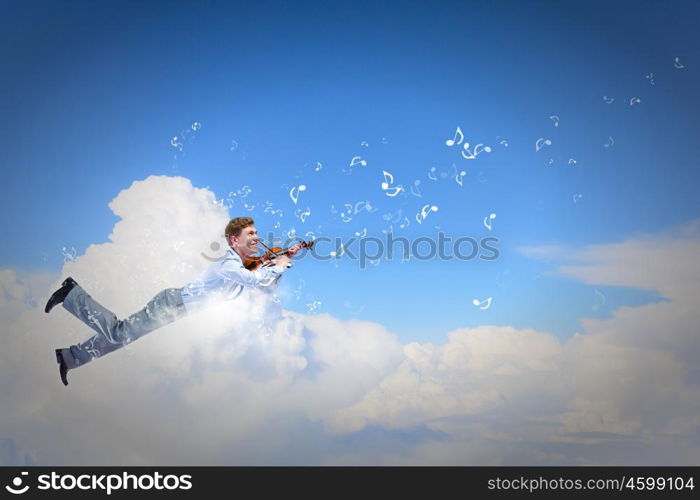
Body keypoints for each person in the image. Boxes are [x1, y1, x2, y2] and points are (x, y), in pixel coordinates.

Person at [45, 217, 299, 386]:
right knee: (119, 333)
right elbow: (254, 280)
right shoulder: (228, 262)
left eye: (257, 232)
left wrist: (281, 262)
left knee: (121, 337)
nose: (257, 236)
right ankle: (70, 293)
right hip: (172, 304)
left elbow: (264, 285)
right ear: (234, 240)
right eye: (250, 233)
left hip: (178, 310)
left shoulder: (247, 265)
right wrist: (276, 265)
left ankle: (69, 358)